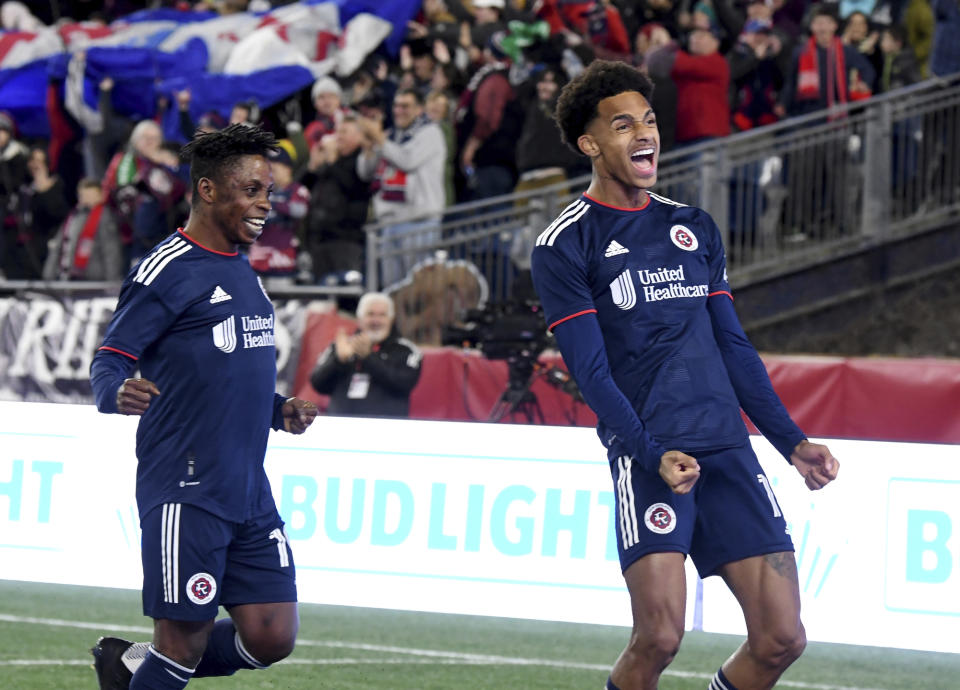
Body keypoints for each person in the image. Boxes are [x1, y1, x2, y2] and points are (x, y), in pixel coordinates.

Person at [531, 60, 839, 690]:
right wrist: (649, 451)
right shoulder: (565, 243)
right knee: (659, 638)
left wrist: (791, 442)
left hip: (727, 445)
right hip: (652, 453)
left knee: (782, 637)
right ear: (590, 144)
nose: (645, 133)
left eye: (648, 120)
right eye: (623, 125)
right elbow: (590, 371)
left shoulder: (694, 227)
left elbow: (734, 346)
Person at [88, 124, 319, 689]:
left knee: (270, 634)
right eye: (251, 190)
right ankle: (150, 666)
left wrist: (275, 409)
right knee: (183, 641)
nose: (265, 203)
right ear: (209, 191)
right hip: (186, 488)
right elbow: (109, 360)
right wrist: (115, 393)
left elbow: (222, 370)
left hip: (247, 487)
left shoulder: (242, 266)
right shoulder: (165, 269)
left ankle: (131, 666)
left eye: (268, 190)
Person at [357, 88, 446, 287]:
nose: (399, 111)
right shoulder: (390, 136)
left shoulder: (430, 133)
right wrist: (368, 148)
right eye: (396, 106)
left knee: (419, 289)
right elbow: (365, 172)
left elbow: (407, 160)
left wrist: (379, 139)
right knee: (393, 289)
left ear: (419, 109)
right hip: (389, 223)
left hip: (419, 222)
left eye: (405, 106)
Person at [310, 292, 422, 418]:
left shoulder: (406, 350)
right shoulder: (342, 346)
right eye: (370, 314)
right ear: (359, 318)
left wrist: (368, 357)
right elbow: (317, 384)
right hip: (342, 427)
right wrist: (339, 361)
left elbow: (404, 384)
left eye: (382, 315)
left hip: (386, 427)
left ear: (391, 319)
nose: (376, 320)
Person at [43, 177, 124, 281]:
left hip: (95, 280)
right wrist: (49, 275)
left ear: (100, 196)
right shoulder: (73, 217)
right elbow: (58, 245)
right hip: (69, 277)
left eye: (90, 196)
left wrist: (112, 281)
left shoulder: (105, 218)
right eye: (83, 195)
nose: (86, 199)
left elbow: (111, 251)